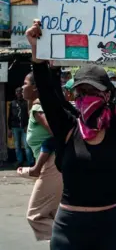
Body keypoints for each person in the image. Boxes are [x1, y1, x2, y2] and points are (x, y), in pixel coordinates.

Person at [26, 20, 116, 250]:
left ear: (107, 95)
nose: (86, 96)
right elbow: (48, 95)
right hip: (69, 230)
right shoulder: (67, 127)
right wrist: (36, 52)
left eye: (93, 91)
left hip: (111, 229)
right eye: (81, 91)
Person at [17, 71, 62, 241]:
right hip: (53, 165)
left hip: (51, 166)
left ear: (36, 87)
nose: (22, 87)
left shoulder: (38, 108)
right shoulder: (37, 107)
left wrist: (37, 167)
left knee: (35, 216)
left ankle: (73, 239)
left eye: (25, 83)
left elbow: (57, 133)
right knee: (55, 213)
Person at [8, 87, 34, 167]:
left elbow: (29, 115)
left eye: (20, 92)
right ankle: (20, 161)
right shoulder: (12, 103)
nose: (19, 94)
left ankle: (31, 162)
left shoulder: (26, 103)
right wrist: (9, 129)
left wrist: (28, 126)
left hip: (24, 127)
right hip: (15, 127)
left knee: (27, 146)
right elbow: (10, 116)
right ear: (16, 93)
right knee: (17, 146)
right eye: (17, 92)